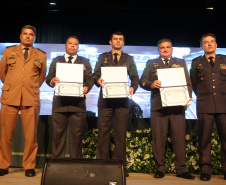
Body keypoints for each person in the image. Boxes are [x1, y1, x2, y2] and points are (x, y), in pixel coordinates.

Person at [139, 38, 195, 179]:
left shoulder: (180, 63)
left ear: (172, 49)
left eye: (168, 47)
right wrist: (152, 84)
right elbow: (142, 81)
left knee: (179, 139)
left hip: (177, 106)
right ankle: (160, 168)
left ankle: (181, 169)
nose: (165, 49)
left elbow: (188, 83)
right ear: (158, 50)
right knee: (158, 139)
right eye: (162, 47)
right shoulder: (151, 63)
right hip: (159, 106)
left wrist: (187, 98)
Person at [0, 25, 46, 177]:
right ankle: (3, 165)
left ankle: (29, 166)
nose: (28, 36)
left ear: (35, 38)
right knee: (5, 134)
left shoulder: (41, 55)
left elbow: (41, 77)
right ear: (20, 36)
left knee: (31, 136)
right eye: (25, 34)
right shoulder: (8, 51)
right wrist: (12, 86)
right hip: (10, 96)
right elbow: (2, 73)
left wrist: (30, 86)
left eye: (31, 34)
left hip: (30, 97)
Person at [93, 32, 139, 174]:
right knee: (103, 134)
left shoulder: (129, 59)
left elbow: (135, 77)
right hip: (105, 101)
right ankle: (102, 165)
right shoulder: (102, 57)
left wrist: (133, 87)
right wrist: (97, 80)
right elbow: (95, 75)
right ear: (110, 41)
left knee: (120, 135)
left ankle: (119, 167)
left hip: (122, 102)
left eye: (120, 39)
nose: (118, 41)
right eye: (115, 39)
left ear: (123, 42)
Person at [46, 36, 93, 159]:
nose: (73, 46)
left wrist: (87, 87)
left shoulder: (85, 61)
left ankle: (75, 165)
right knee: (58, 136)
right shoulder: (57, 61)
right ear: (65, 46)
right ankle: (57, 165)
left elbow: (90, 79)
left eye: (75, 44)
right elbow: (48, 78)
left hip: (77, 105)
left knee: (76, 137)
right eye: (70, 43)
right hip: (59, 104)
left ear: (78, 47)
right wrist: (52, 81)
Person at [190, 33, 226, 181]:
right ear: (201, 46)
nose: (209, 44)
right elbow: (194, 83)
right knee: (204, 140)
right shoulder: (195, 62)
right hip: (205, 105)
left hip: (224, 105)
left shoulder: (224, 60)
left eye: (212, 42)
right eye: (206, 42)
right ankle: (205, 170)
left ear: (216, 45)